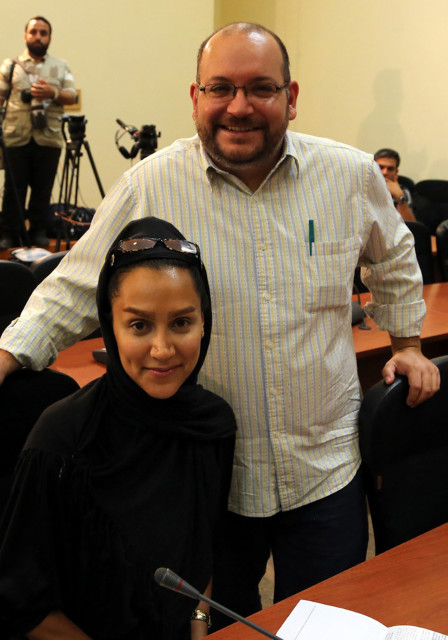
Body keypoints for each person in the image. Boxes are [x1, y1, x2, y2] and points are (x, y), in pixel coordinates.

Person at [0, 22, 440, 621]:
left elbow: (395, 257)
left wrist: (409, 343)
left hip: (325, 469)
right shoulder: (150, 182)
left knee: (336, 620)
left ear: (291, 96)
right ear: (195, 98)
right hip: (207, 476)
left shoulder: (350, 174)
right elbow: (79, 284)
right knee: (221, 621)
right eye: (220, 88)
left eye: (260, 88)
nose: (239, 106)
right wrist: (8, 353)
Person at [0, 216, 237, 639]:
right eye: (139, 325)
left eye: (182, 323)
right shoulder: (62, 438)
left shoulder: (213, 423)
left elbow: (203, 552)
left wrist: (199, 624)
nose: (163, 350)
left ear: (205, 322)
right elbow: (21, 603)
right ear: (109, 326)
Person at [0, 16, 77, 249]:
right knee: (14, 188)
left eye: (43, 33)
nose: (38, 37)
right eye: (33, 32)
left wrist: (51, 93)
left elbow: (71, 96)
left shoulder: (61, 66)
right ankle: (10, 234)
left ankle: (38, 231)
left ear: (49, 37)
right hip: (15, 135)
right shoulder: (10, 65)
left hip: (49, 136)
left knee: (43, 188)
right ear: (25, 36)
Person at [374, 148, 416, 222]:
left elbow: (411, 226)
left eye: (390, 169)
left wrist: (399, 196)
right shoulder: (362, 187)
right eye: (380, 167)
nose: (384, 172)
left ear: (396, 173)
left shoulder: (403, 191)